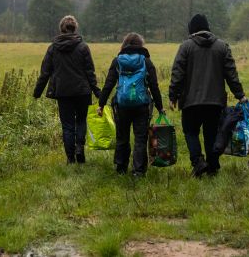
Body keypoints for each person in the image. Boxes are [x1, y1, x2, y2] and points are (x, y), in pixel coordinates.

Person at [169, 14, 247, 177]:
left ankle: (198, 162)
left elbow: (178, 73)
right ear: (207, 28)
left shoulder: (185, 47)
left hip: (190, 102)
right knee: (211, 134)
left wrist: (173, 96)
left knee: (191, 132)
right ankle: (213, 166)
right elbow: (231, 74)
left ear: (192, 29)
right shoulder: (222, 46)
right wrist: (240, 95)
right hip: (215, 102)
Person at [33, 15, 100, 164]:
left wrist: (37, 92)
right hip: (82, 91)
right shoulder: (83, 47)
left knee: (68, 125)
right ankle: (79, 148)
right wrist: (97, 91)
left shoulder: (53, 48)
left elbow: (45, 72)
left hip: (63, 92)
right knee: (81, 121)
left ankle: (70, 158)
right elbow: (90, 71)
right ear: (75, 28)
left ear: (61, 28)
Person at [97, 33, 164, 177]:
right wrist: (160, 107)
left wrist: (101, 104)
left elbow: (109, 84)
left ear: (125, 44)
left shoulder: (118, 61)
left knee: (122, 137)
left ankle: (121, 167)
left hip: (121, 105)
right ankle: (138, 171)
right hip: (142, 105)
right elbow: (154, 86)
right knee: (140, 138)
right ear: (141, 45)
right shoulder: (146, 61)